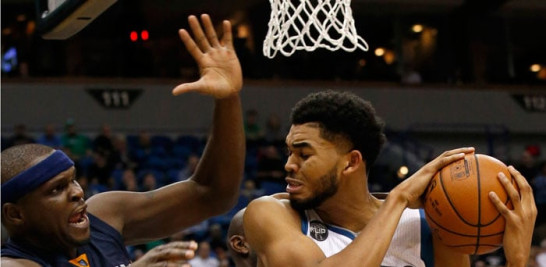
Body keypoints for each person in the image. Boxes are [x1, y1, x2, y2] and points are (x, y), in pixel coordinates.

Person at [1, 14, 244, 267]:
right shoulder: (13, 264)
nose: (77, 193)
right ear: (16, 214)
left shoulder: (105, 214)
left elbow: (212, 193)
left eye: (72, 180)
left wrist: (228, 98)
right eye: (55, 189)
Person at [243, 90, 537, 267]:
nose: (288, 165)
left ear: (351, 162)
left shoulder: (431, 226)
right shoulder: (271, 214)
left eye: (304, 155)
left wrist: (517, 261)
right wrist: (398, 199)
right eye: (289, 152)